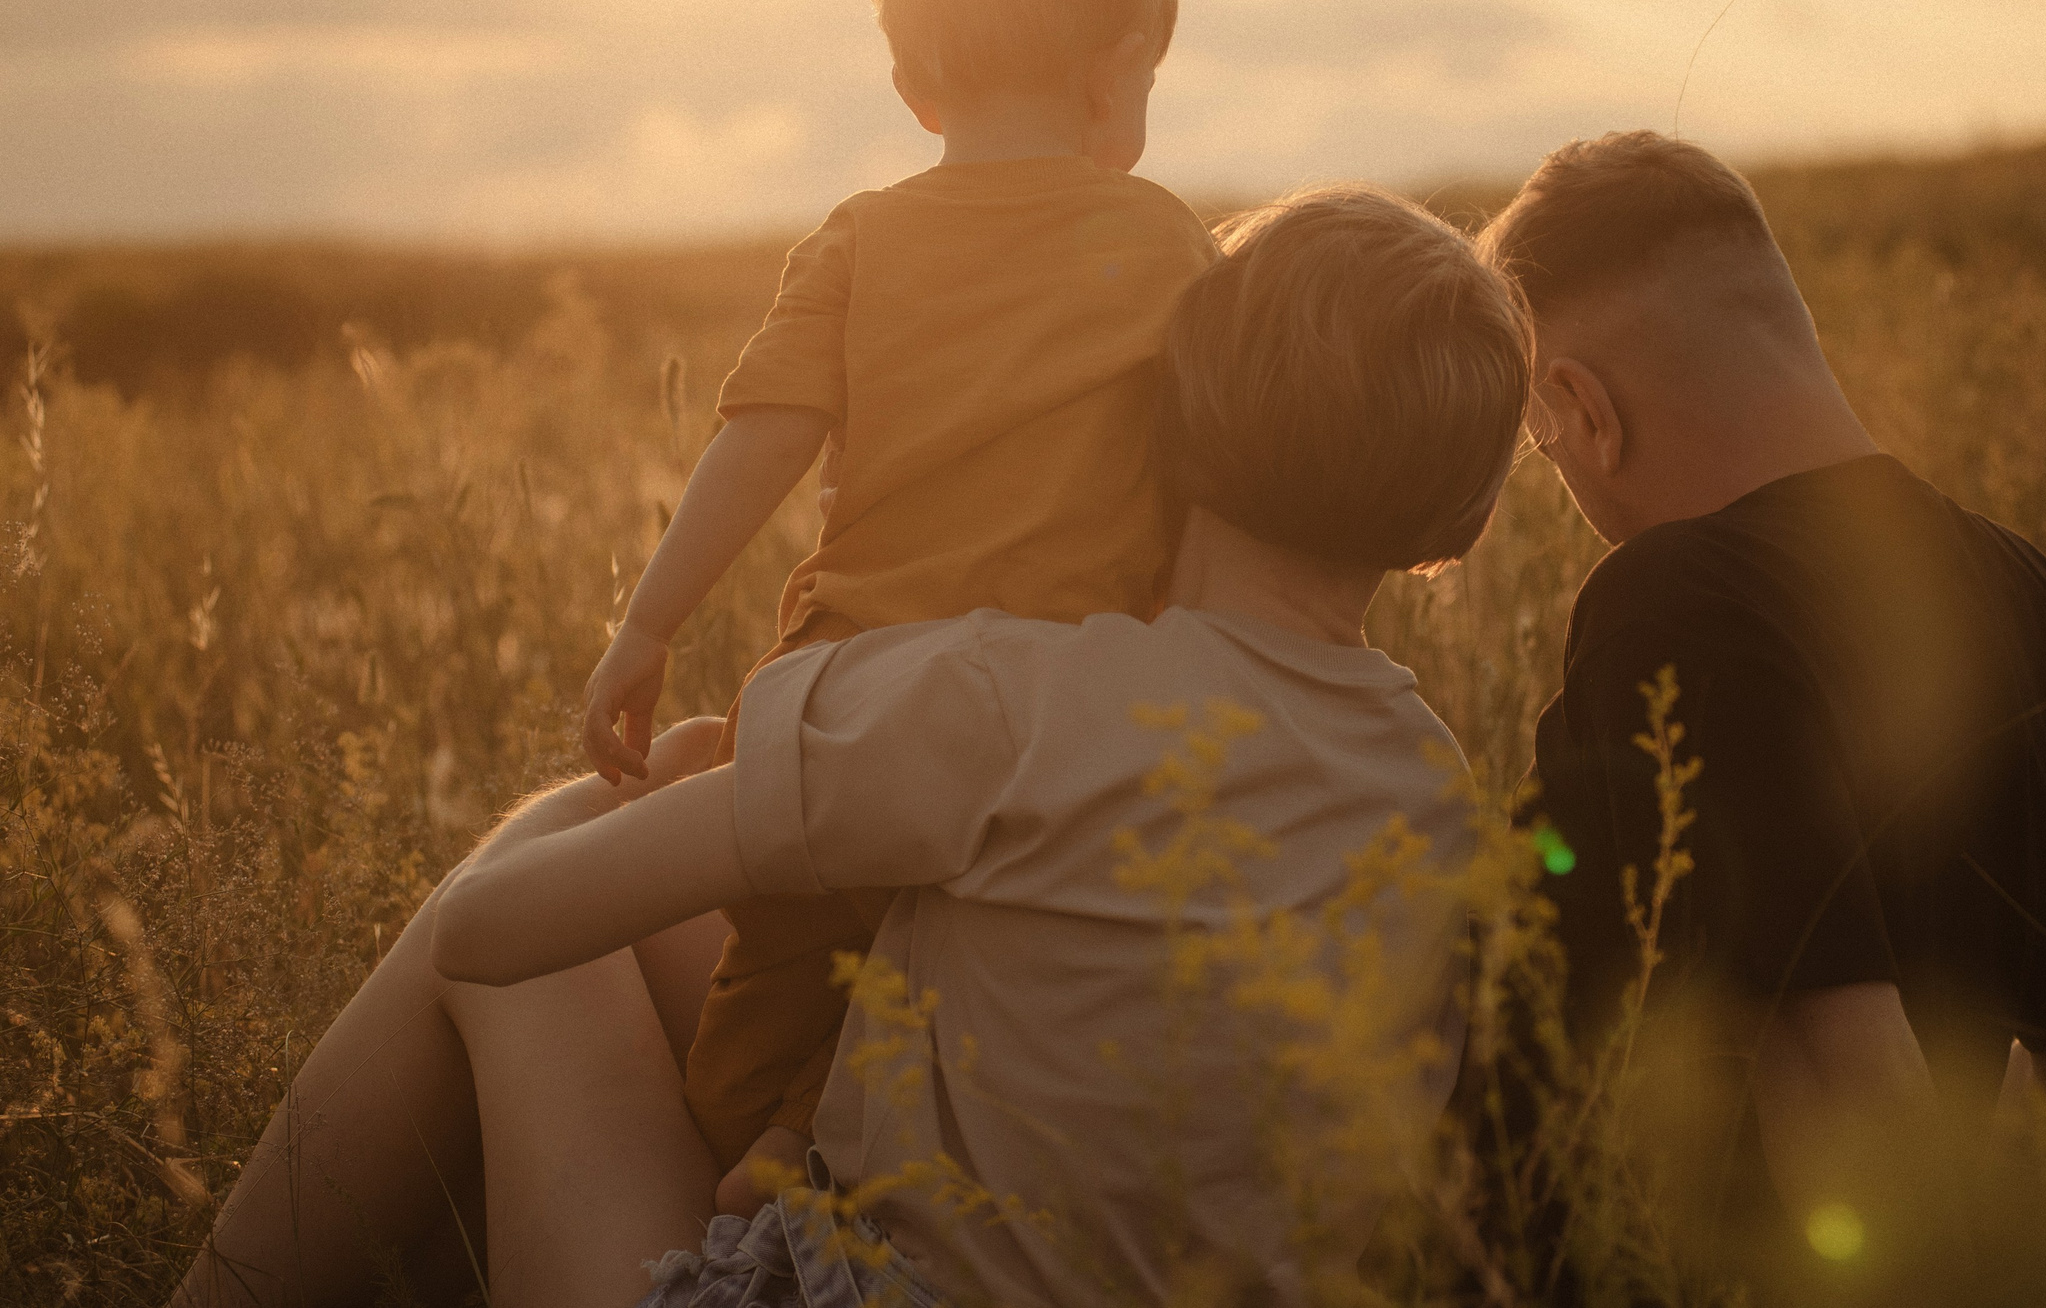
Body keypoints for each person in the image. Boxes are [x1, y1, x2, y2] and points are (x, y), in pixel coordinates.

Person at [174, 186, 1531, 1308]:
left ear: (1167, 412)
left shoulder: (1008, 701)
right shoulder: (1435, 787)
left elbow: (487, 934)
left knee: (543, 851)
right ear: (1448, 521)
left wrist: (750, 780)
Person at [574, 0, 1218, 1211]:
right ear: (1117, 72)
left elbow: (761, 444)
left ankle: (775, 1138)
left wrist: (647, 621)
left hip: (832, 724)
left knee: (761, 1017)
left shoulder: (862, 241)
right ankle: (823, 1141)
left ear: (914, 84)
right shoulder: (1165, 247)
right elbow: (1222, 473)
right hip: (1049, 752)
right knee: (967, 1004)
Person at [1476, 131, 2046, 1293]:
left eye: (1548, 450)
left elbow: (1828, 1060)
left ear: (1582, 407)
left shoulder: (1672, 601)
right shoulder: (2036, 591)